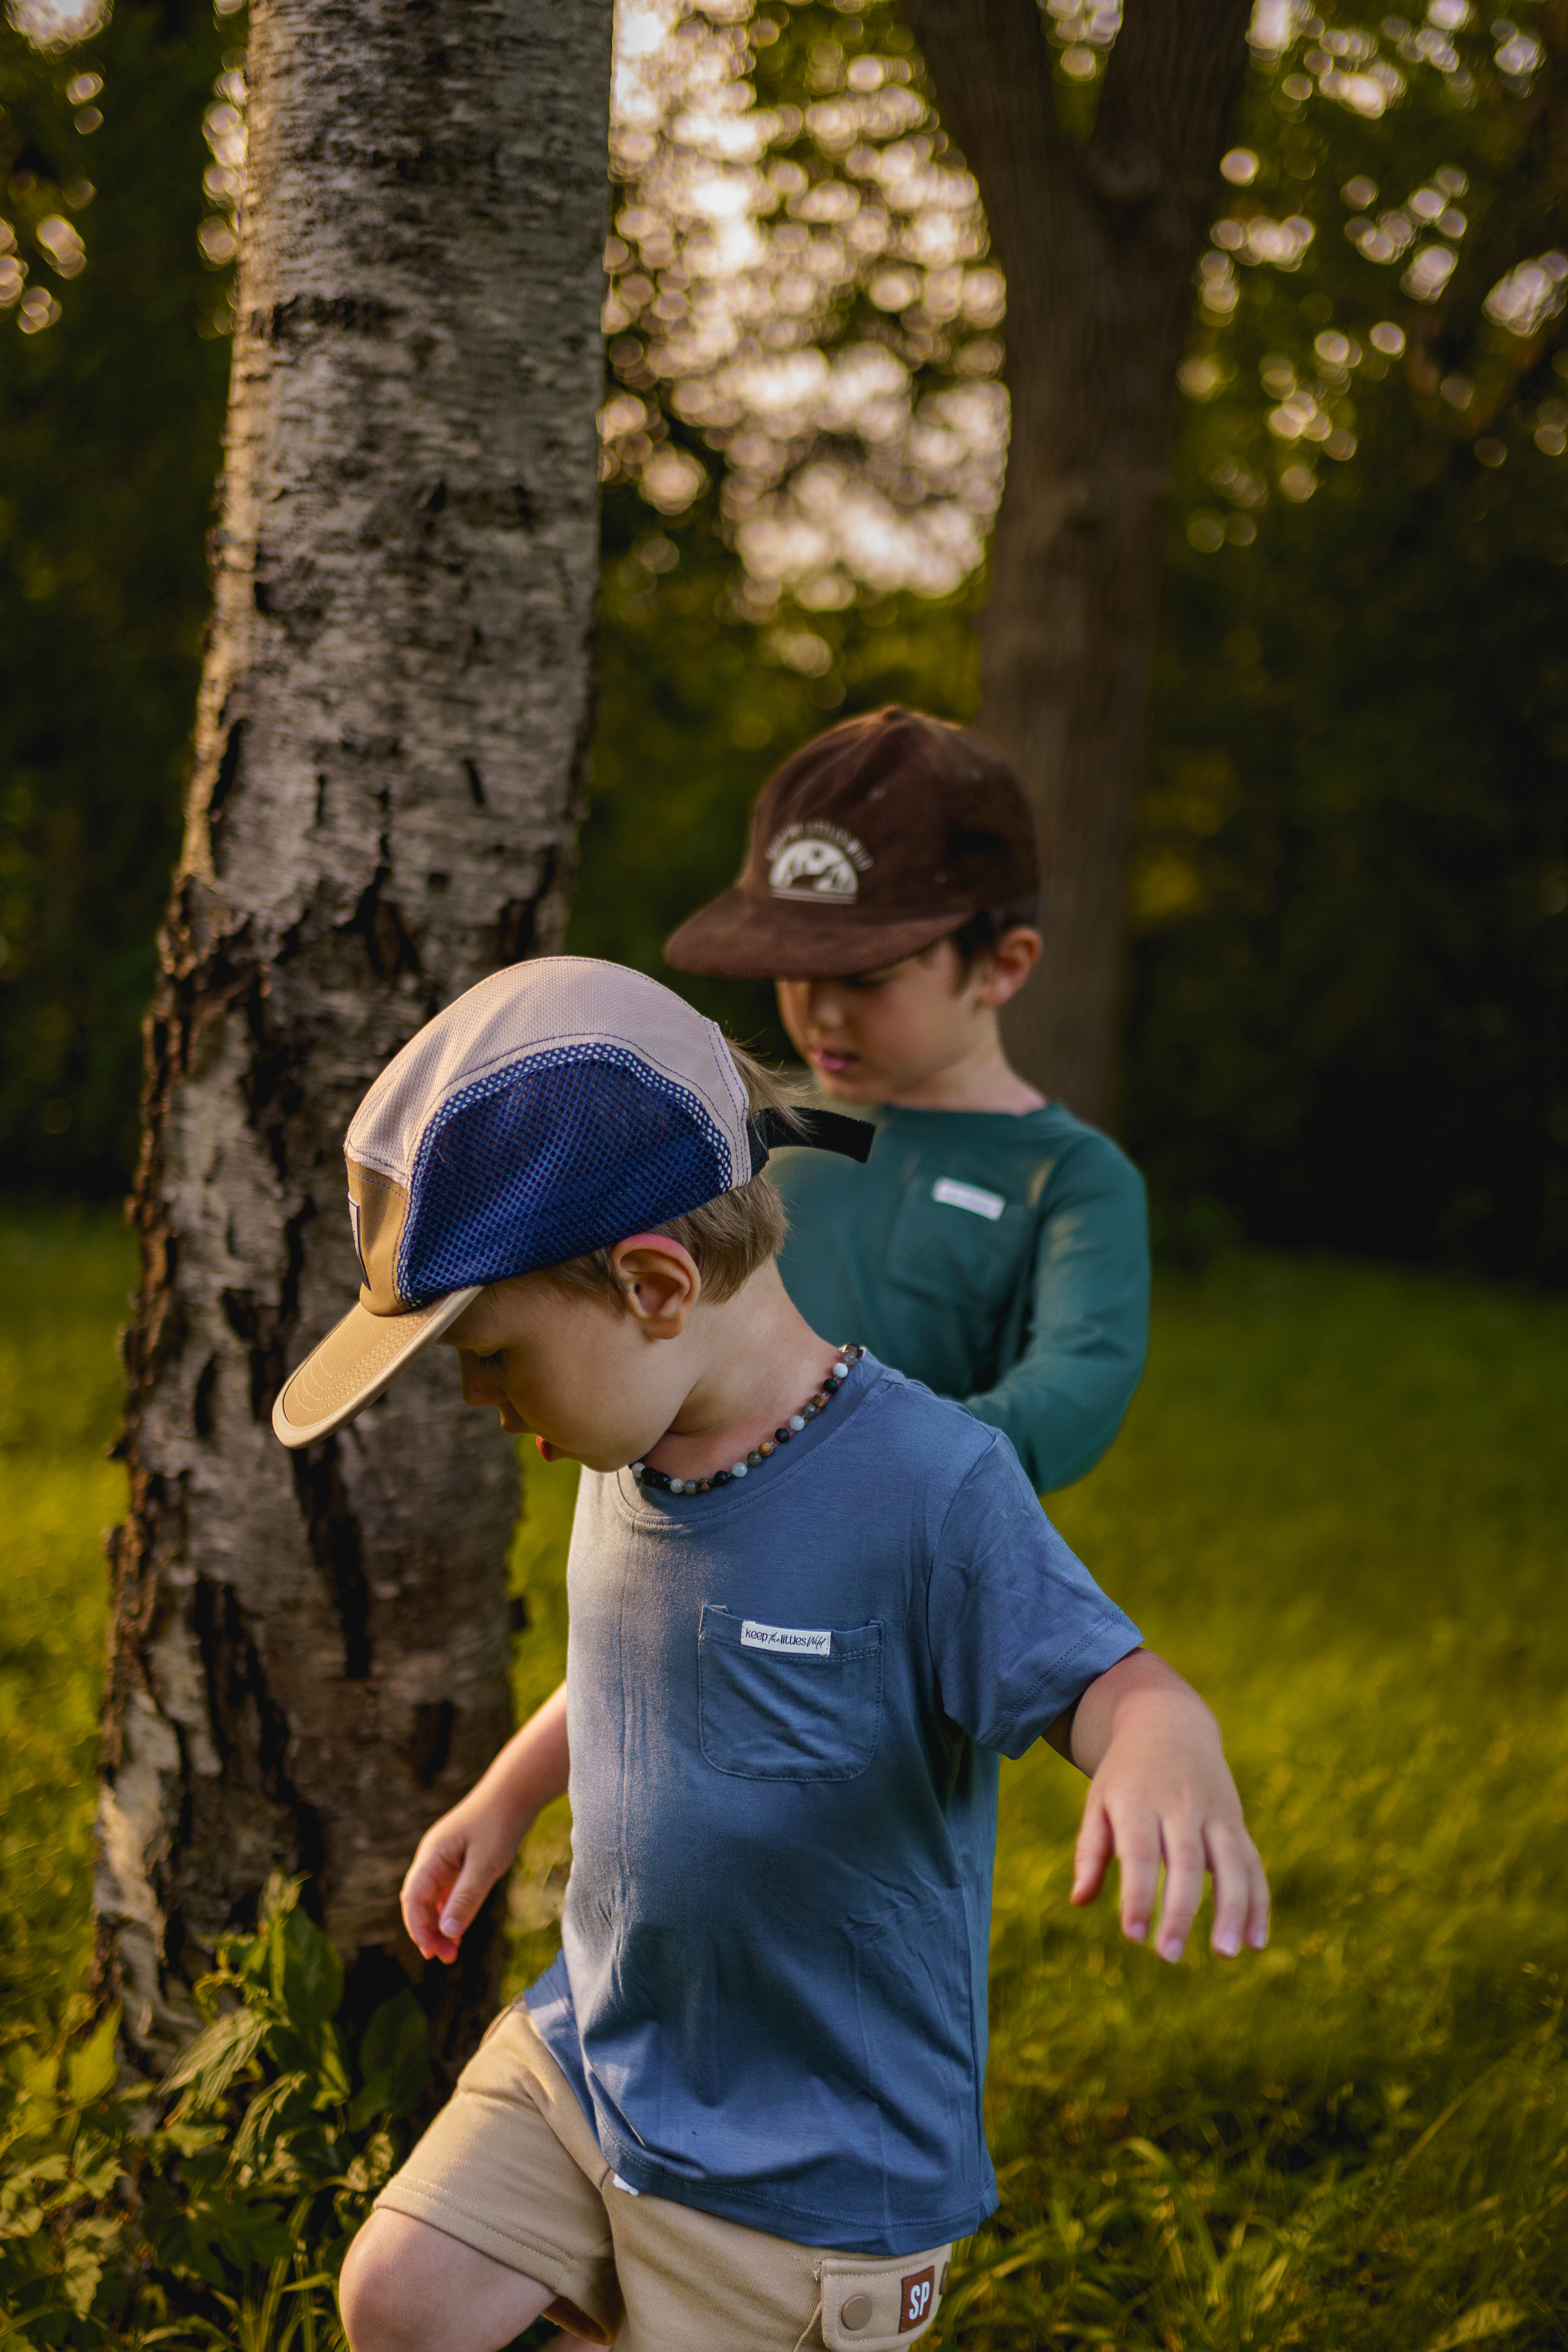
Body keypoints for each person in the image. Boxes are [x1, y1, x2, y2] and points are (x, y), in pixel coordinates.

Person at [273, 956, 1269, 2352]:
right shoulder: (623, 1428)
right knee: (400, 2299)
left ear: (656, 1285)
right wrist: (507, 1795)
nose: (479, 1400)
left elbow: (1111, 1681)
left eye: (491, 1356)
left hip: (806, 2153)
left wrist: (1161, 1738)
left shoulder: (931, 1487)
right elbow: (638, 1664)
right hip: (603, 2045)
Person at [664, 705, 1149, 1496]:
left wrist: (868, 1462)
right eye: (792, 969)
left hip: (907, 1585)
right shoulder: (766, 1131)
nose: (819, 1011)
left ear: (1001, 966)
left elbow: (1076, 1387)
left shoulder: (1069, 1179)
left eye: (865, 977)